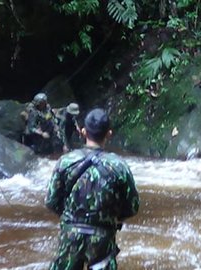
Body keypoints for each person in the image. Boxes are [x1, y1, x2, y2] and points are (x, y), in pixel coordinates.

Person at [45, 108, 140, 270]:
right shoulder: (119, 166)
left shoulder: (65, 162)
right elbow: (132, 207)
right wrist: (112, 217)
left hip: (70, 236)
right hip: (103, 238)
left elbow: (51, 201)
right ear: (109, 134)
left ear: (83, 132)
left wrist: (70, 217)